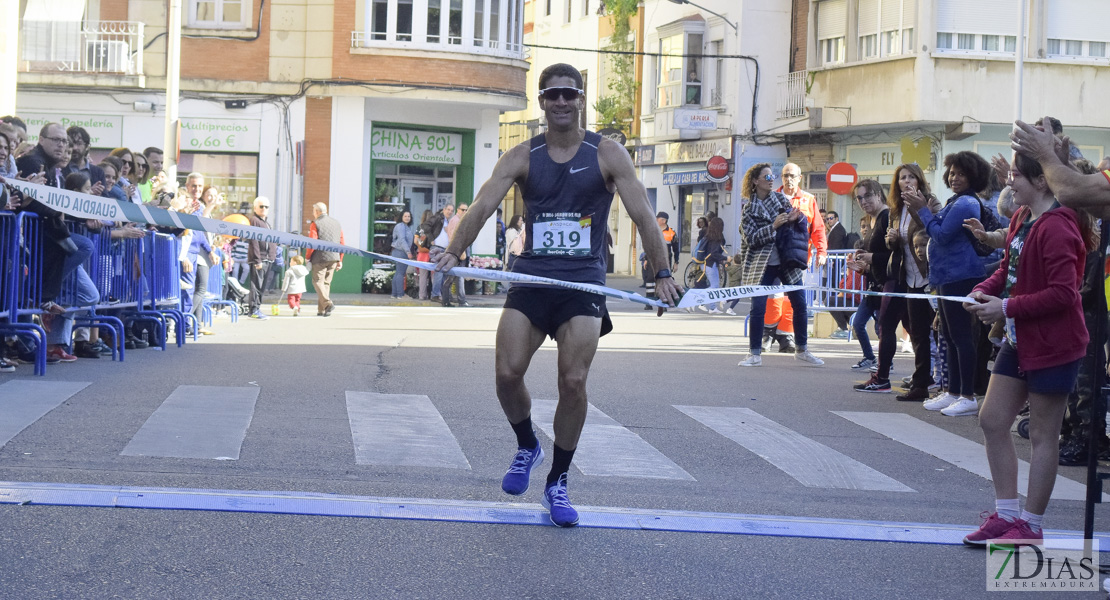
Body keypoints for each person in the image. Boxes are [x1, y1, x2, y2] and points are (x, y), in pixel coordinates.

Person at [433, 63, 682, 527]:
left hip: (582, 283)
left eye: (569, 94)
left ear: (580, 98)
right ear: (542, 102)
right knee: (507, 374)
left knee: (573, 381)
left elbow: (645, 216)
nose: (561, 102)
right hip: (532, 279)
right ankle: (527, 444)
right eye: (552, 95)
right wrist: (453, 251)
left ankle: (558, 480)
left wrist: (663, 273)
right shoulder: (522, 156)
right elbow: (485, 203)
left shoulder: (608, 154)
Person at [961, 150, 1094, 546]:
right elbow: (1009, 269)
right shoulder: (1022, 218)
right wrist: (983, 290)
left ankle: (1031, 526)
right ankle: (1006, 517)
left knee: (1041, 435)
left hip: (1055, 345)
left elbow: (1063, 294)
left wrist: (1006, 306)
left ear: (1040, 181)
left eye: (1016, 175)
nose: (1008, 182)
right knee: (992, 420)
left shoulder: (1059, 226)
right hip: (1020, 340)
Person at [905, 151, 990, 416]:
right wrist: (925, 213)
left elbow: (940, 235)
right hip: (945, 276)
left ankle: (967, 395)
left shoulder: (966, 204)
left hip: (961, 276)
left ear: (973, 177)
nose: (954, 178)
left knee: (962, 337)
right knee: (949, 336)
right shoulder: (956, 201)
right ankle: (952, 391)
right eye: (952, 173)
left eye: (961, 173)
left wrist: (922, 211)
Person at [858, 164, 940, 398]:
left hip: (928, 275)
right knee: (918, 332)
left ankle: (937, 381)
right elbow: (895, 246)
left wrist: (919, 207)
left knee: (934, 331)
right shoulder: (897, 209)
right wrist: (891, 239)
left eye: (911, 177)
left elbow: (935, 232)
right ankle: (921, 384)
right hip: (907, 276)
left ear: (920, 180)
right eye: (902, 178)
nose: (906, 181)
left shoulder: (930, 202)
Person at [737, 162, 824, 367]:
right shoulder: (749, 208)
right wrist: (773, 226)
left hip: (786, 260)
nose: (772, 180)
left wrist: (797, 217)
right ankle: (754, 353)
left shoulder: (779, 199)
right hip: (762, 264)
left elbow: (802, 221)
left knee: (800, 304)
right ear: (756, 181)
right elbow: (750, 238)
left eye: (772, 176)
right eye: (767, 177)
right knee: (758, 308)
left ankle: (802, 349)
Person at [762, 163, 828, 353]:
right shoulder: (771, 197)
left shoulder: (808, 199)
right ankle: (768, 333)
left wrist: (821, 252)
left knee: (793, 299)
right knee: (773, 296)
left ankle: (786, 336)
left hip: (798, 259)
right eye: (785, 175)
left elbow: (818, 229)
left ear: (800, 178)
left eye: (792, 175)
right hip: (775, 257)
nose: (788, 179)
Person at [846, 183, 889, 373]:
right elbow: (876, 261)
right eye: (859, 198)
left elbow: (894, 256)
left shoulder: (886, 217)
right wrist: (863, 269)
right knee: (858, 323)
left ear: (879, 195)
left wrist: (871, 258)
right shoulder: (874, 220)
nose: (863, 201)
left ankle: (885, 366)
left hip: (887, 286)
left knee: (883, 329)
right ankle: (871, 358)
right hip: (872, 286)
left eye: (868, 196)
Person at [306, 202, 344, 316]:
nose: (313, 214)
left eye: (314, 212)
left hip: (320, 257)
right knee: (326, 283)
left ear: (317, 212)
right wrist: (340, 259)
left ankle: (327, 304)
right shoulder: (336, 223)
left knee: (317, 281)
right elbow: (342, 242)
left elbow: (312, 242)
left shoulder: (316, 223)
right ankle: (322, 310)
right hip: (334, 257)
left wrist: (307, 257)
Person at [246, 197, 277, 319]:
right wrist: (257, 260)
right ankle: (253, 310)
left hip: (268, 259)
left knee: (262, 286)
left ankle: (257, 308)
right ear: (255, 208)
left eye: (266, 207)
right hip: (260, 259)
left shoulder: (266, 223)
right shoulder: (254, 220)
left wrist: (273, 255)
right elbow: (254, 241)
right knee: (256, 285)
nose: (264, 209)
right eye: (261, 206)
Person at [694, 217, 728, 314]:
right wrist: (726, 258)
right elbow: (714, 253)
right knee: (714, 286)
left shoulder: (709, 236)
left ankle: (712, 308)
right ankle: (698, 299)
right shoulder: (716, 238)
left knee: (714, 286)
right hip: (710, 264)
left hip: (706, 264)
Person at [65, 126, 105, 196]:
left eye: (79, 143)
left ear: (87, 146)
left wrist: (94, 193)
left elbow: (105, 199)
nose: (74, 148)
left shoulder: (98, 172)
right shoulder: (60, 168)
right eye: (71, 143)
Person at [390, 210, 415, 299]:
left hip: (400, 251)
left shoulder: (406, 227)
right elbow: (402, 240)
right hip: (401, 252)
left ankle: (394, 294)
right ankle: (400, 294)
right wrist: (408, 252)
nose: (407, 218)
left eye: (409, 216)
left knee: (398, 273)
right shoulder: (401, 226)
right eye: (405, 216)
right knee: (400, 273)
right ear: (401, 217)